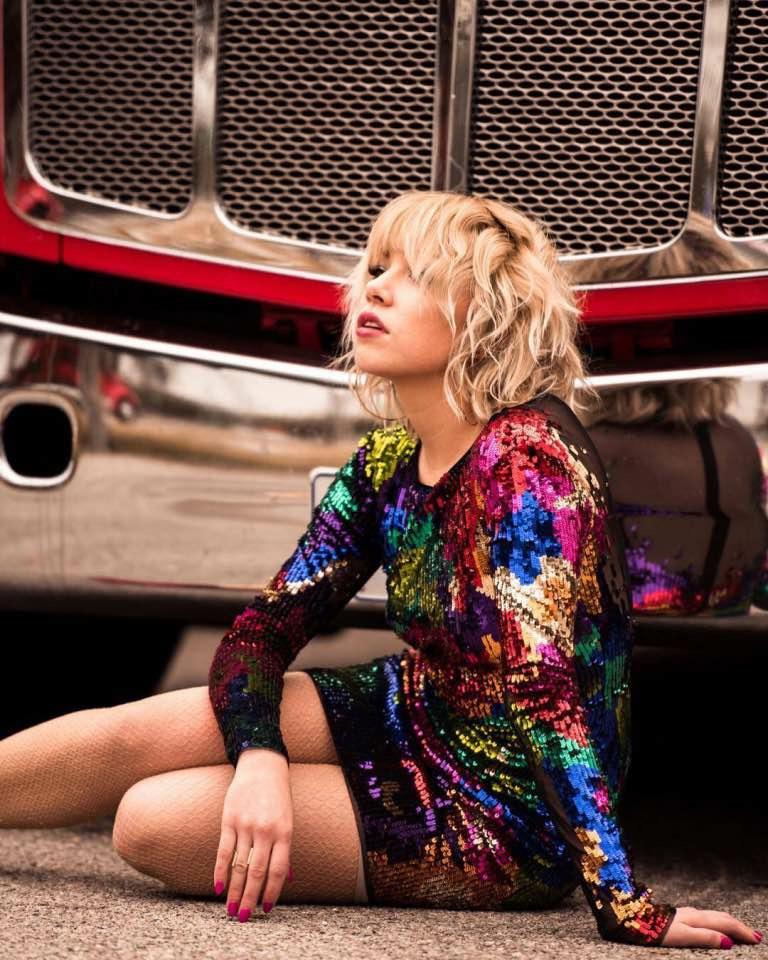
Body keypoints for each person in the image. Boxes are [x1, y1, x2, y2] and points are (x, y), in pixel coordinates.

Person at [0, 191, 761, 950]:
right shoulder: (388, 461)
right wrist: (260, 756)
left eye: (416, 275)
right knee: (139, 731)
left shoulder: (526, 465)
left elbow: (545, 693)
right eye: (374, 268)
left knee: (153, 818)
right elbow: (261, 633)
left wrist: (623, 899)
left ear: (488, 314)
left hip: (503, 817)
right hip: (416, 708)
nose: (376, 289)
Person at [584, 379, 768, 617]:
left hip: (619, 637)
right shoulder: (735, 442)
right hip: (727, 639)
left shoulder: (589, 447)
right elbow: (760, 584)